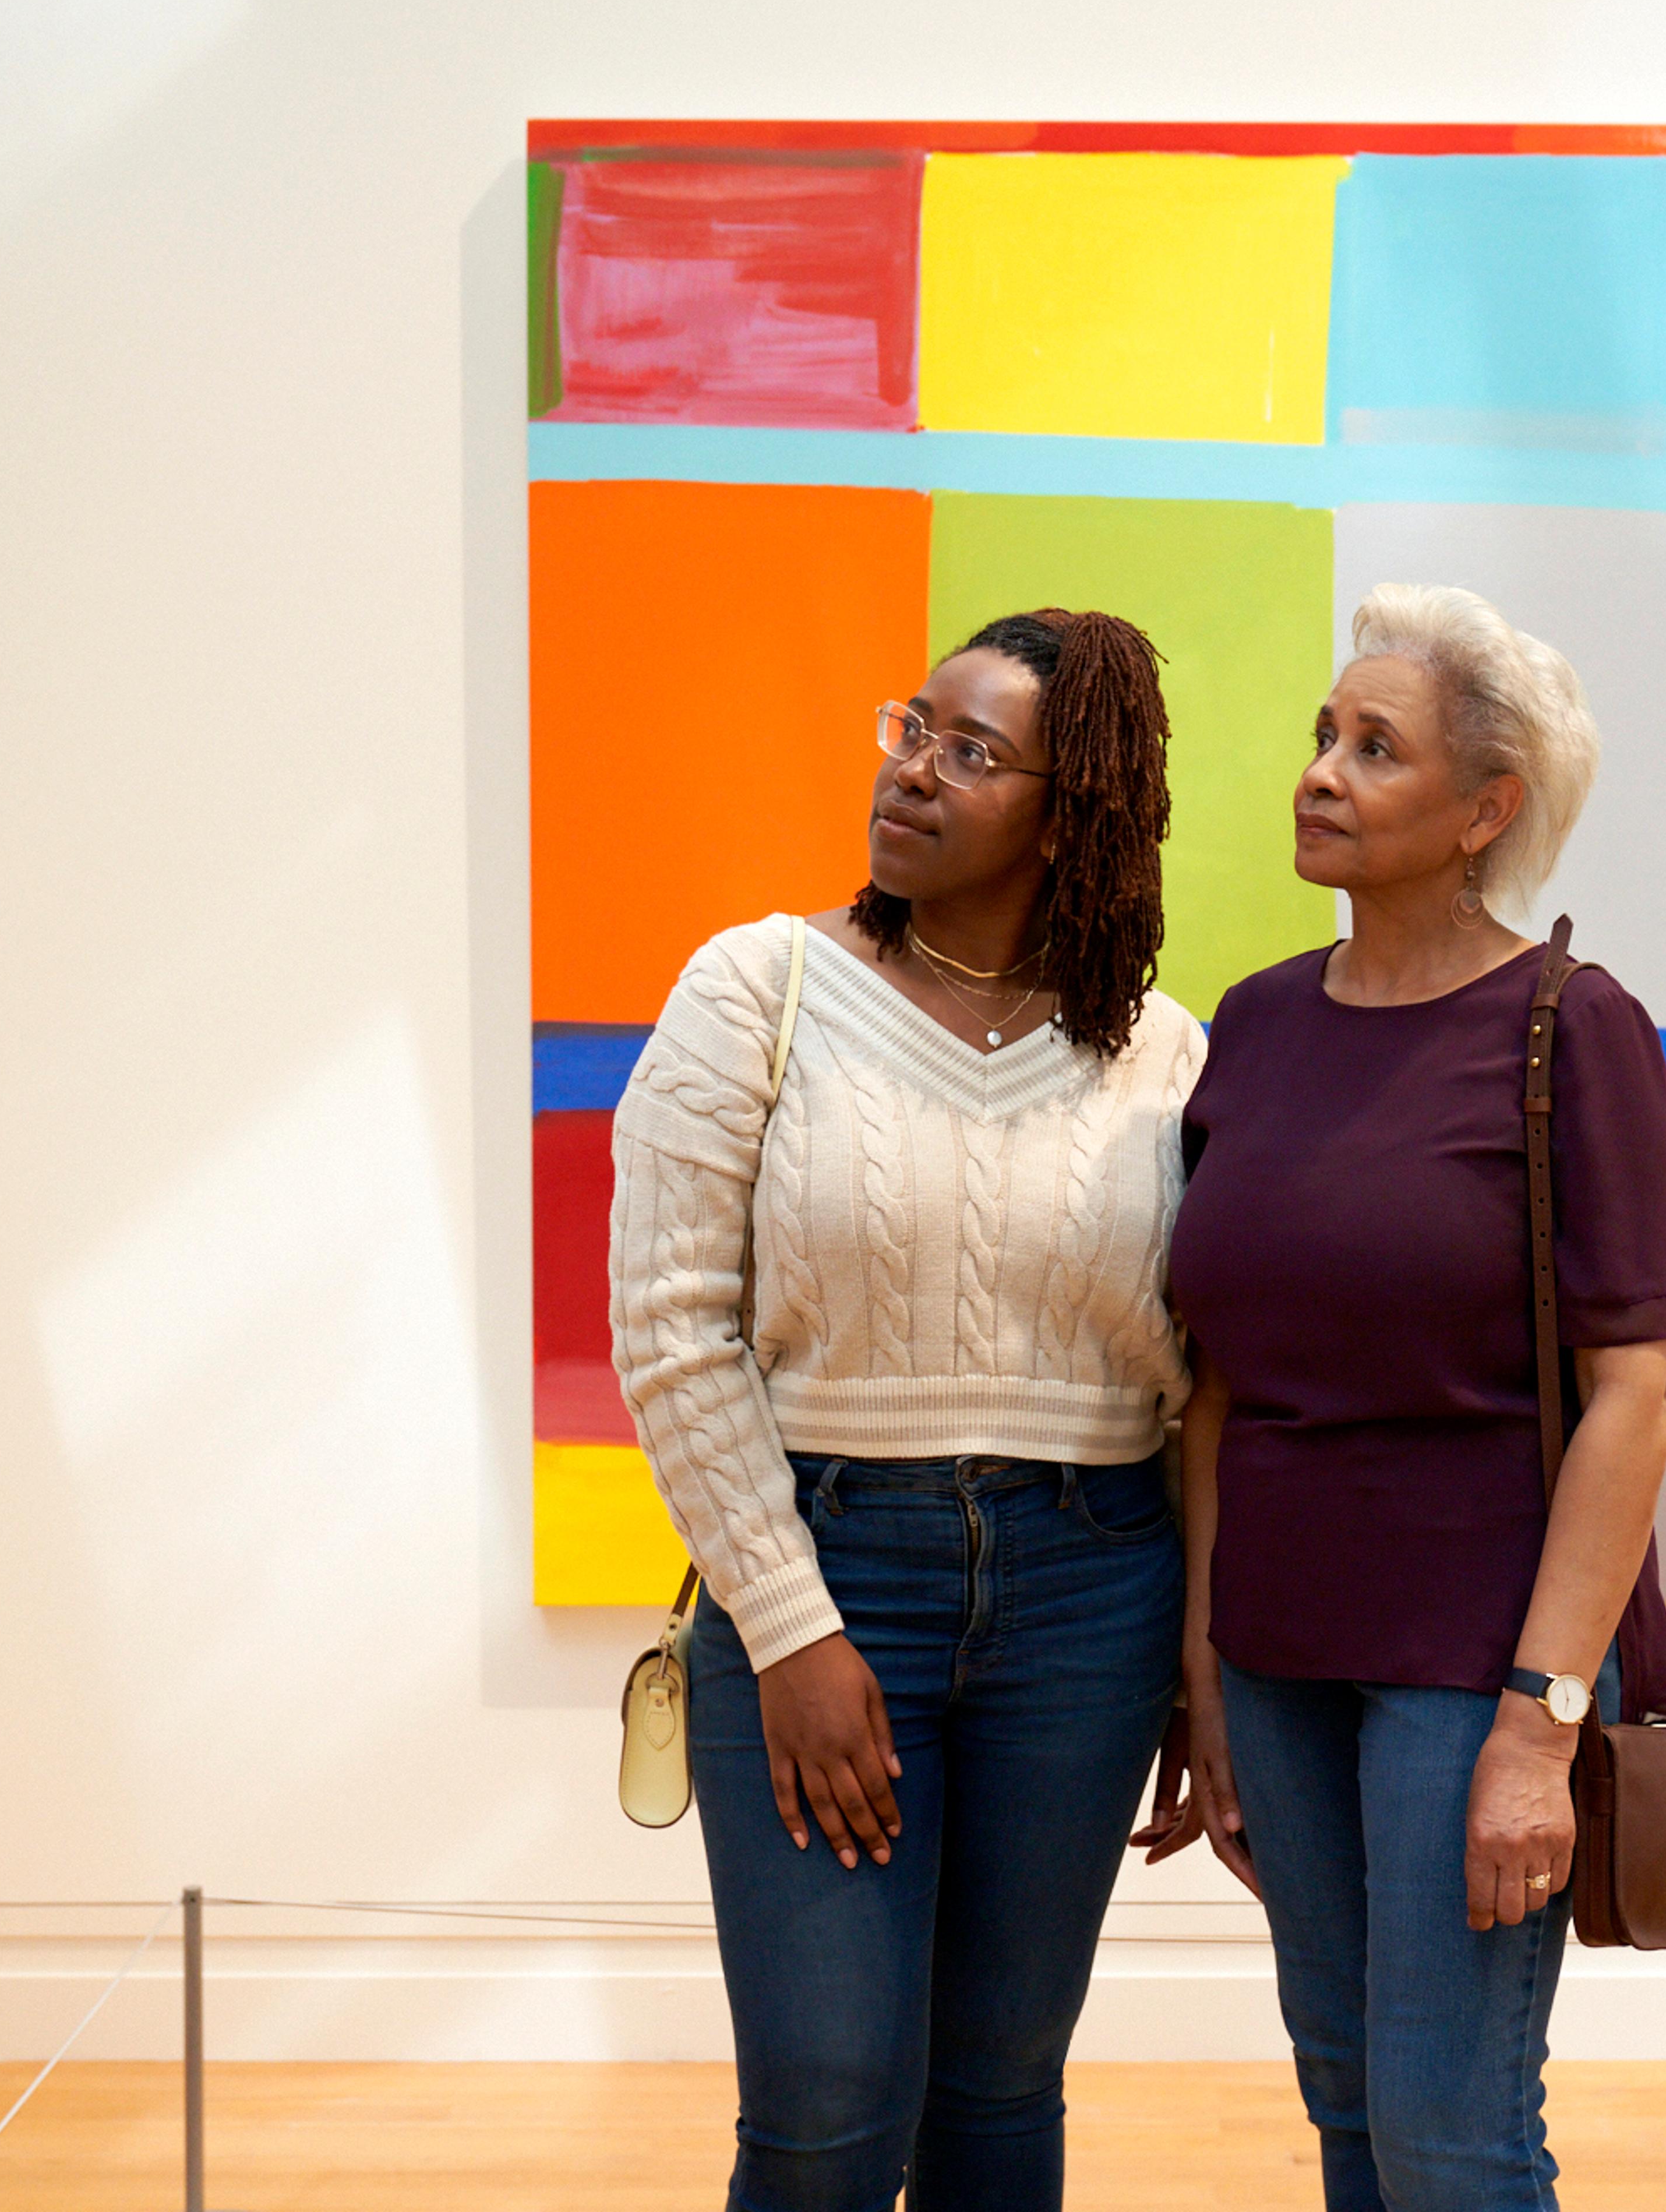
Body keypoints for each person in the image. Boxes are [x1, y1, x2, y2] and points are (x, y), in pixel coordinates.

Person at [609, 608, 1201, 2212]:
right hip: (828, 1563)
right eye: (911, 731)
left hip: (1091, 1588)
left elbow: (1196, 1379)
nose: (913, 774)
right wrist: (792, 1630)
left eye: (972, 752)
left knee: (1001, 2088)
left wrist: (1204, 1661)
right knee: (823, 2107)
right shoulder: (759, 988)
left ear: (1073, 813)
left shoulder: (1165, 1053)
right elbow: (671, 1331)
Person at [1162, 584, 1666, 2211]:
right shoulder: (1250, 1026)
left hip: (1478, 1659)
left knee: (1450, 2132)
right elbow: (1218, 1386)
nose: (1321, 769)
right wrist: (1203, 1675)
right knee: (1346, 2100)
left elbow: (1634, 1390)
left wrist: (1540, 1728)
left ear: (1486, 811)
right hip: (1280, 1651)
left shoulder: (1570, 1026)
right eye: (1325, 734)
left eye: (1373, 747)